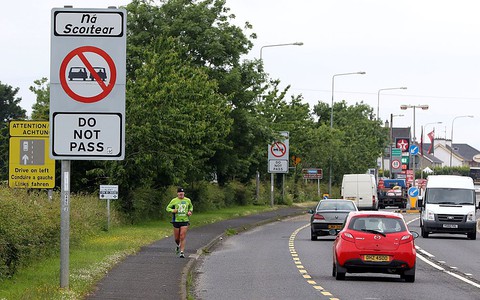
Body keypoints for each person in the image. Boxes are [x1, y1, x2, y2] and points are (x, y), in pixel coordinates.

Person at [166, 187, 193, 258]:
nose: (181, 194)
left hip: (185, 220)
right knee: (177, 239)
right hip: (176, 221)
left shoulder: (188, 200)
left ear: (184, 193)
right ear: (177, 193)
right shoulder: (174, 200)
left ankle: (182, 252)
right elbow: (167, 208)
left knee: (182, 236)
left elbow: (191, 207)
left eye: (182, 193)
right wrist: (173, 210)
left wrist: (190, 211)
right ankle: (178, 245)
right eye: (180, 193)